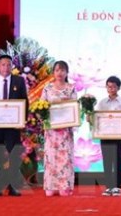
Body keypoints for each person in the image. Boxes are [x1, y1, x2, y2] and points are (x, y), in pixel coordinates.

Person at [0, 54, 28, 196]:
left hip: (13, 125)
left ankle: (13, 186)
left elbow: (25, 101)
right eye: (3, 64)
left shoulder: (19, 81)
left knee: (14, 154)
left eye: (9, 64)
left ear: (12, 66)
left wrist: (23, 120)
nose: (6, 67)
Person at [41, 60, 77, 197]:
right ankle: (50, 185)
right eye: (57, 70)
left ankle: (65, 186)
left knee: (65, 157)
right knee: (51, 157)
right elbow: (41, 106)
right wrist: (43, 115)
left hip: (65, 130)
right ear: (53, 72)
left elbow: (75, 107)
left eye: (62, 70)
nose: (59, 73)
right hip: (51, 130)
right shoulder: (47, 88)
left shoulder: (71, 88)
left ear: (67, 73)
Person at [97, 76, 121, 197]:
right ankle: (108, 187)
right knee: (106, 160)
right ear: (106, 87)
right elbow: (98, 118)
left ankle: (117, 186)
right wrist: (91, 119)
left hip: (117, 135)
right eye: (109, 86)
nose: (111, 89)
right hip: (104, 135)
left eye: (114, 87)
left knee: (117, 160)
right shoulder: (101, 102)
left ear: (118, 88)